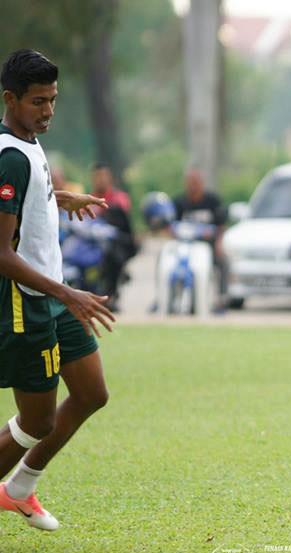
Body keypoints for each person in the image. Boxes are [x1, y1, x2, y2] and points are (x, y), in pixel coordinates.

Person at [0, 49, 115, 531]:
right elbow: (2, 253)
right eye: (37, 102)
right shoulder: (9, 157)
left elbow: (26, 201)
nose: (48, 111)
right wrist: (68, 294)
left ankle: (19, 488)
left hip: (52, 294)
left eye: (53, 100)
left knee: (91, 392)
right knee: (38, 422)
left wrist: (56, 197)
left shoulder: (27, 141)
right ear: (10, 99)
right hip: (28, 302)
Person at [173, 168, 228, 311]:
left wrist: (218, 244)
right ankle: (165, 297)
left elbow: (221, 225)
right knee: (165, 261)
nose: (193, 185)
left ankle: (221, 298)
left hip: (207, 246)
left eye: (196, 182)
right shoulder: (179, 203)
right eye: (190, 182)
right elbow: (171, 227)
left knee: (223, 262)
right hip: (184, 247)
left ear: (202, 183)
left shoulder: (212, 201)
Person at [88, 163, 136, 310]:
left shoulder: (119, 198)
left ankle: (110, 294)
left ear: (110, 178)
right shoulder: (87, 198)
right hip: (90, 241)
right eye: (98, 177)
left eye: (104, 176)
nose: (101, 180)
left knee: (112, 256)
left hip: (115, 243)